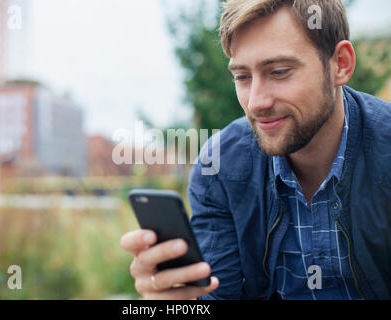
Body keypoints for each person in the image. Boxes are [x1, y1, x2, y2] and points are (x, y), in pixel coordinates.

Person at [120, 0, 391, 300]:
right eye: (242, 77)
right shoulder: (219, 168)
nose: (256, 102)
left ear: (341, 63)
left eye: (278, 71)